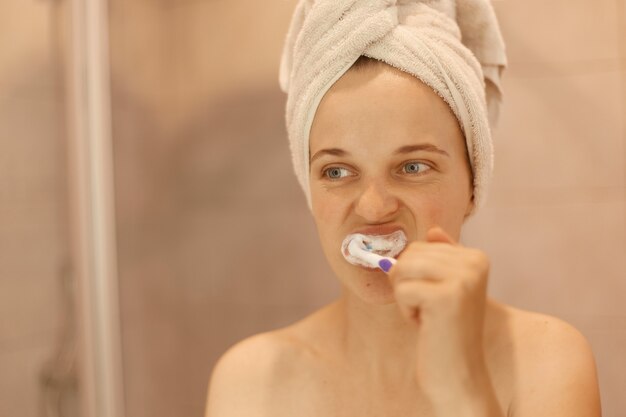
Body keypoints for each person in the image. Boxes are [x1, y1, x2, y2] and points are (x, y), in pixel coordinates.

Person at [205, 1, 602, 416]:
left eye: (413, 167)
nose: (374, 207)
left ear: (472, 185)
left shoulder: (547, 362)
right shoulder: (251, 381)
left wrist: (463, 387)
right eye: (337, 172)